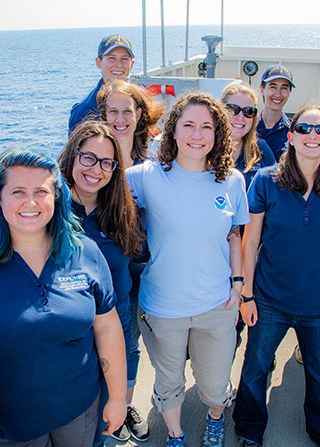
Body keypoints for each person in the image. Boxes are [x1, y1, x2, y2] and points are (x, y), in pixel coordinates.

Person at [0, 149, 127, 447]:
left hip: (79, 411)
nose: (30, 203)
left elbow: (107, 328)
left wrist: (118, 397)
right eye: (18, 191)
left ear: (56, 196)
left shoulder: (84, 251)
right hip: (6, 429)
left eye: (41, 192)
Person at [233, 104, 320, 447]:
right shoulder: (266, 180)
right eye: (304, 129)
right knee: (255, 371)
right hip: (269, 299)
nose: (313, 136)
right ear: (290, 138)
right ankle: (249, 430)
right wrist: (246, 295)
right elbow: (250, 242)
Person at [125, 92, 249, 447]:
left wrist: (238, 284)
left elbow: (234, 234)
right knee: (169, 382)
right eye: (189, 125)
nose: (197, 134)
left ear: (218, 134)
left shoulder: (232, 181)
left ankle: (215, 417)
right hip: (163, 307)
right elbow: (99, 183)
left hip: (216, 305)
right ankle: (176, 434)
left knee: (214, 384)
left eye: (207, 126)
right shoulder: (148, 176)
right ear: (172, 131)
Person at [57, 121, 145, 446]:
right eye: (89, 158)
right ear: (72, 157)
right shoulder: (52, 212)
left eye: (107, 162)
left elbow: (138, 258)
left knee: (106, 419)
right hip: (72, 335)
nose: (97, 170)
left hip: (116, 327)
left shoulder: (121, 210)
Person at [96, 80, 165, 442]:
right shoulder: (93, 153)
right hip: (105, 270)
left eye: (128, 110)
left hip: (144, 267)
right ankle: (101, 405)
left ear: (140, 114)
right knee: (100, 341)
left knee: (130, 341)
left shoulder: (156, 155)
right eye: (113, 111)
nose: (120, 118)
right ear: (103, 115)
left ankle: (124, 404)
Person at [69, 34, 135, 133]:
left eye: (124, 59)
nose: (119, 64)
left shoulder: (139, 101)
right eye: (112, 58)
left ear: (131, 64)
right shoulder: (85, 110)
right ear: (98, 62)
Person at [220, 82, 277, 189]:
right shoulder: (206, 147)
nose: (240, 118)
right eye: (233, 110)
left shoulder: (261, 149)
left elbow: (274, 192)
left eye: (249, 111)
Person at [256, 64, 295, 161]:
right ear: (262, 89)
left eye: (284, 88)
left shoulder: (293, 131)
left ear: (289, 92)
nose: (278, 94)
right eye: (273, 87)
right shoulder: (248, 126)